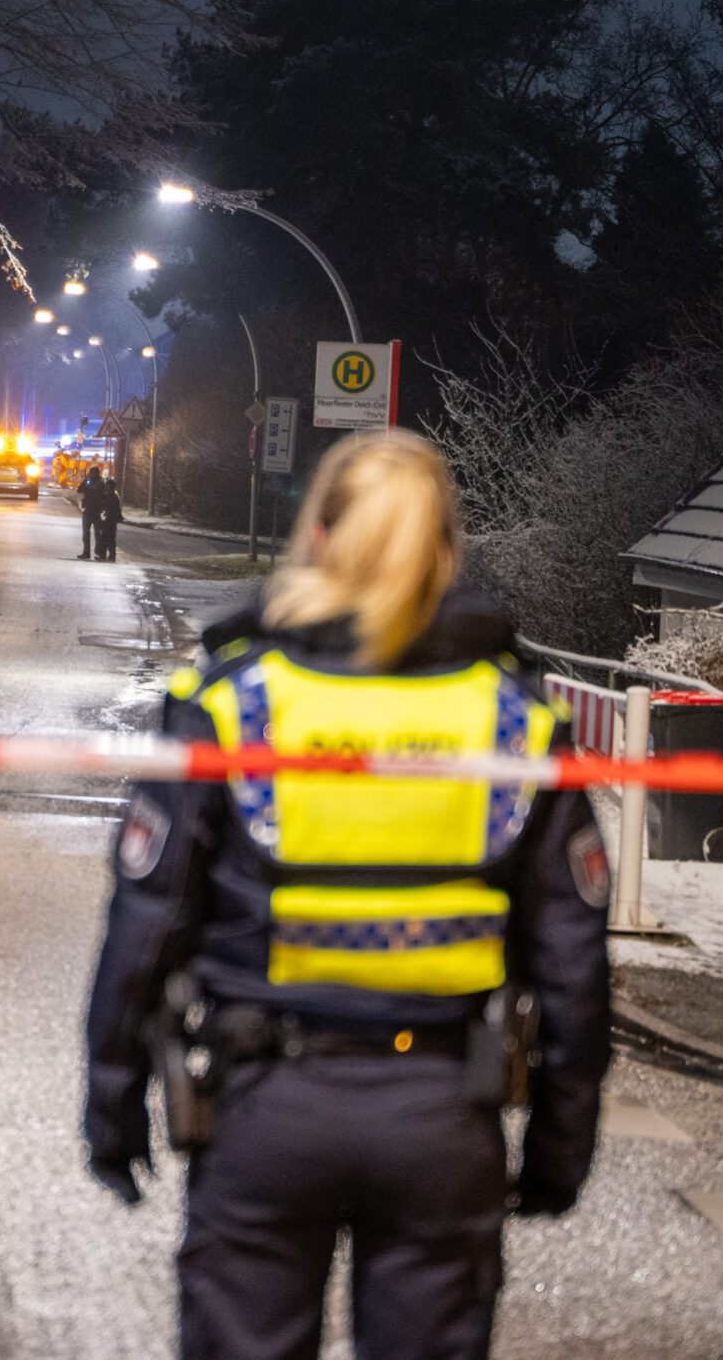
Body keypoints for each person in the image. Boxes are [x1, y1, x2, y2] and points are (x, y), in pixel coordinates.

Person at [82, 430, 611, 1360]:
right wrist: (563, 1146)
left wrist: (113, 1102)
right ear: (445, 550)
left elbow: (150, 916)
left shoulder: (233, 699)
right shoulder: (516, 716)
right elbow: (571, 959)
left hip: (265, 1107)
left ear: (318, 538)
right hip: (444, 1116)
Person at [79, 465, 110, 559]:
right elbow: (79, 489)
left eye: (91, 472)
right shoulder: (89, 481)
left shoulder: (100, 483)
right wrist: (86, 481)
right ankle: (88, 552)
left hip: (94, 510)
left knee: (96, 533)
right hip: (90, 509)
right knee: (88, 533)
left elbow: (101, 495)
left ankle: (97, 553)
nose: (90, 474)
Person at [93, 471, 125, 561]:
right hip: (111, 520)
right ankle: (110, 556)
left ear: (110, 487)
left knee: (106, 539)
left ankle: (105, 556)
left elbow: (109, 508)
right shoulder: (112, 496)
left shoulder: (111, 497)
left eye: (107, 486)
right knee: (109, 539)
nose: (105, 487)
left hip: (109, 521)